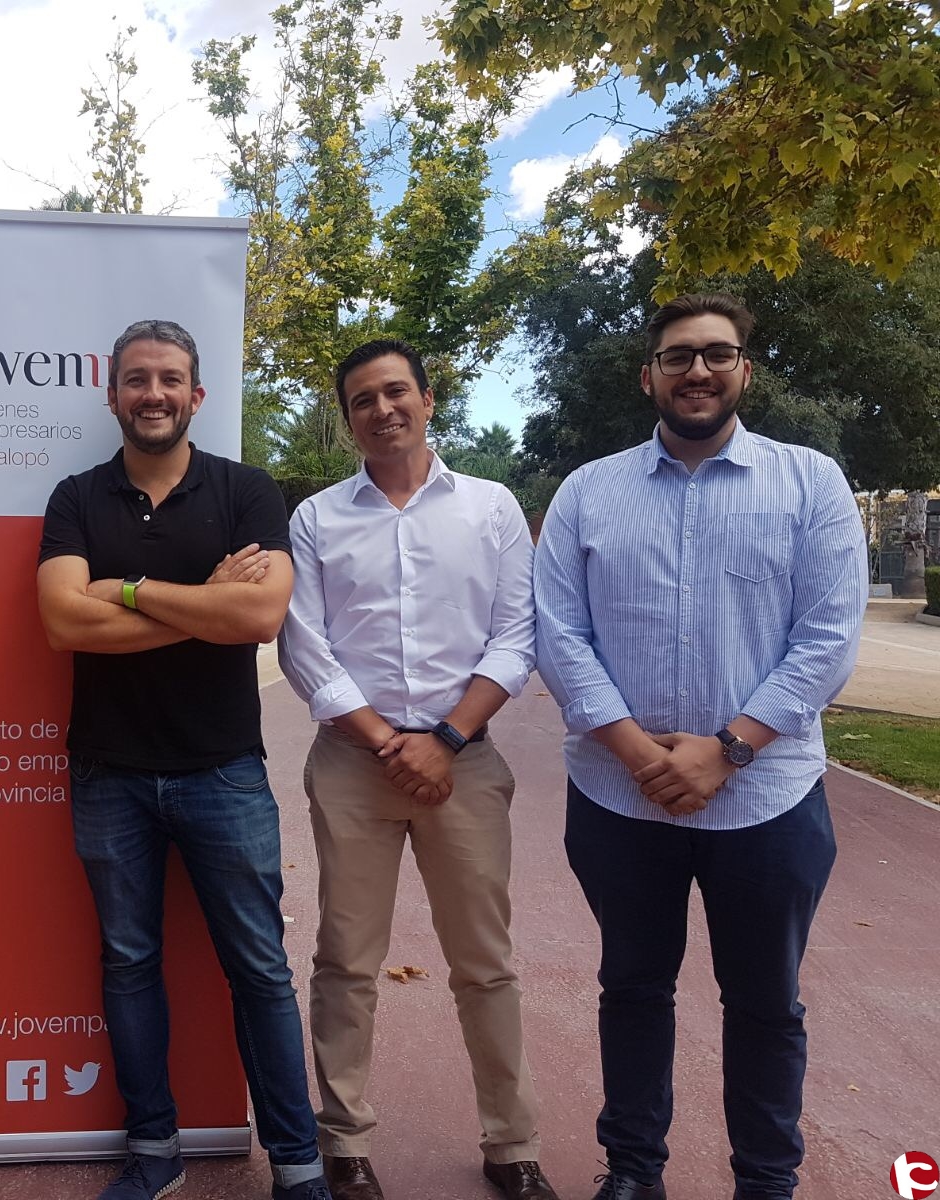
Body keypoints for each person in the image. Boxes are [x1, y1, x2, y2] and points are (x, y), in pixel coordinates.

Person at [533, 294, 867, 1200]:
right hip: (619, 795)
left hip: (768, 797)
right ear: (648, 376)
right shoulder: (588, 492)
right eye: (677, 356)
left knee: (765, 1002)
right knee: (633, 989)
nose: (697, 371)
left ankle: (767, 1179)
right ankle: (633, 1170)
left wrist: (728, 749)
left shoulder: (809, 483)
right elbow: (559, 634)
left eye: (717, 354)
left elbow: (828, 637)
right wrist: (637, 753)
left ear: (744, 372)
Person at [37, 319, 331, 1200]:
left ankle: (298, 1166)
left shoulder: (247, 491)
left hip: (223, 771)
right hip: (109, 772)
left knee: (260, 969)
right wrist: (206, 604)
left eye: (170, 379)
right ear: (112, 395)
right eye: (137, 379)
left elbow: (259, 618)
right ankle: (154, 1153)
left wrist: (128, 591)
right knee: (129, 965)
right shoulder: (76, 497)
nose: (153, 393)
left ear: (197, 395)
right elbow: (62, 622)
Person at [277, 339, 557, 1200]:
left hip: (463, 763)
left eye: (397, 391)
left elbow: (517, 634)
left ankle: (512, 1145)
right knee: (345, 959)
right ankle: (344, 1142)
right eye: (362, 399)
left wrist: (446, 739)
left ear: (429, 401)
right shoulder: (317, 518)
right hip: (353, 764)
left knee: (485, 961)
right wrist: (385, 741)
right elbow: (305, 645)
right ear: (348, 419)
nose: (383, 409)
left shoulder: (492, 508)